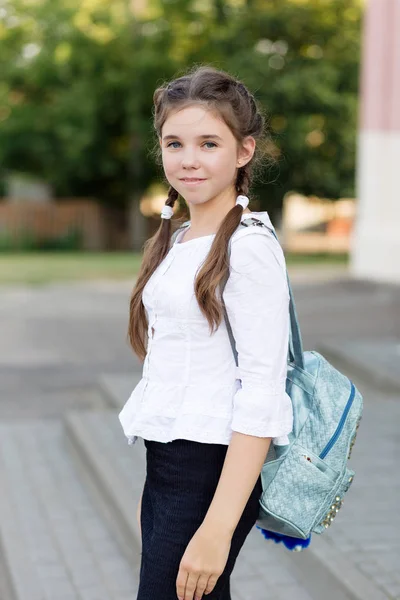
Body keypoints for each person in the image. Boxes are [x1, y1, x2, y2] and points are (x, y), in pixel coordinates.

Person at [118, 65, 293, 600]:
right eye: (175, 143)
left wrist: (218, 528)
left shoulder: (250, 249)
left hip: (210, 469)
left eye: (208, 142)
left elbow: (263, 392)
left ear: (244, 151)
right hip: (169, 461)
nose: (188, 158)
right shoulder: (181, 239)